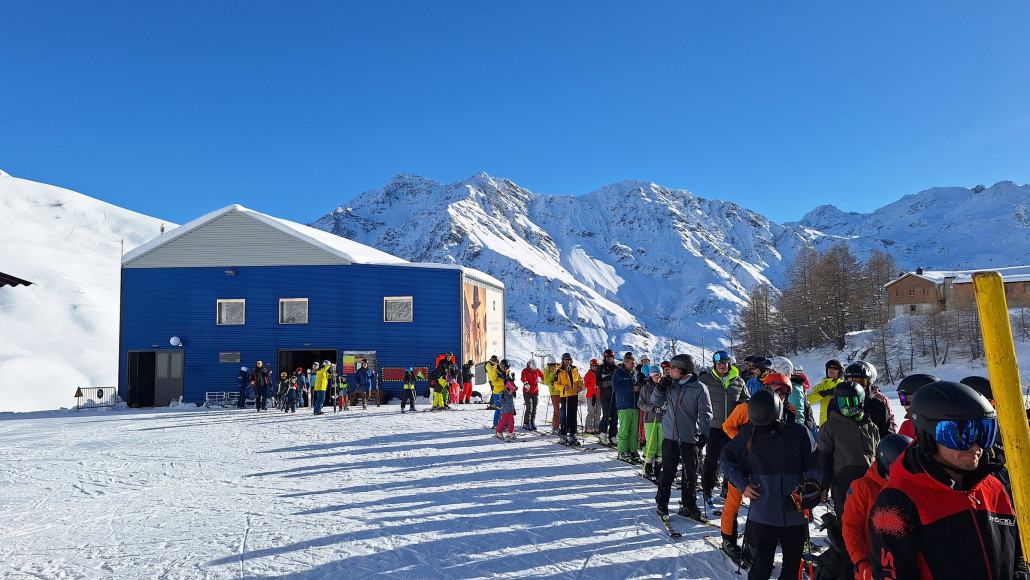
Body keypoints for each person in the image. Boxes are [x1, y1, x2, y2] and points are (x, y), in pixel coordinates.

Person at [868, 381, 1024, 580]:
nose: (976, 447)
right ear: (929, 436)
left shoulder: (992, 487)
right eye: (962, 436)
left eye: (984, 433)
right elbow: (891, 573)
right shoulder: (896, 502)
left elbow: (1017, 554)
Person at [720, 388, 821, 580]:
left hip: (795, 512)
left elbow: (815, 462)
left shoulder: (799, 432)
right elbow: (725, 460)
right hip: (763, 515)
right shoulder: (750, 431)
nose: (763, 429)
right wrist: (742, 484)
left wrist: (813, 483)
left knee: (791, 571)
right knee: (761, 569)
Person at [651, 354, 713, 522]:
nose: (670, 371)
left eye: (673, 368)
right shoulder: (669, 385)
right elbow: (655, 401)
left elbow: (705, 413)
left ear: (683, 370)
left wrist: (703, 433)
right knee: (668, 472)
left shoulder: (699, 388)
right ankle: (662, 503)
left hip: (689, 437)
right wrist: (660, 388)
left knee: (690, 474)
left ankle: (689, 505)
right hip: (670, 437)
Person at [841, 434, 912, 580]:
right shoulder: (863, 487)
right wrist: (861, 563)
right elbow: (851, 528)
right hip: (875, 569)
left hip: (906, 566)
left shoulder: (911, 486)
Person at [817, 380, 880, 519]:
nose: (847, 407)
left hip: (871, 482)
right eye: (842, 403)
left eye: (851, 402)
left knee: (873, 520)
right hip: (843, 483)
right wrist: (824, 485)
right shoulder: (830, 427)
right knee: (848, 520)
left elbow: (878, 456)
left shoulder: (870, 426)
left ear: (861, 401)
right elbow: (824, 458)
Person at [698, 350, 748, 504]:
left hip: (732, 427)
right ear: (714, 364)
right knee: (711, 459)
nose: (722, 365)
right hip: (714, 426)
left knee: (731, 460)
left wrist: (741, 406)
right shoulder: (706, 379)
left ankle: (728, 488)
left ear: (729, 364)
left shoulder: (738, 381)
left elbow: (746, 399)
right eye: (719, 363)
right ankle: (707, 489)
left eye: (725, 363)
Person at [842, 361, 894, 438]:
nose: (857, 386)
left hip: (872, 445)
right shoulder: (837, 403)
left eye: (861, 382)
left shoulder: (878, 405)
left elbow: (887, 433)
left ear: (868, 383)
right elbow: (829, 434)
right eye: (852, 382)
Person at [638, 362, 666, 481]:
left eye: (659, 374)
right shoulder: (645, 388)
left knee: (661, 444)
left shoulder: (665, 386)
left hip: (663, 419)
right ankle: (648, 467)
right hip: (650, 419)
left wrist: (665, 406)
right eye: (654, 374)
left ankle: (658, 468)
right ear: (650, 375)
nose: (657, 377)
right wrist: (652, 408)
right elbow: (640, 403)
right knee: (651, 444)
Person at [612, 352, 642, 460]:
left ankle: (633, 450)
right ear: (625, 363)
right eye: (631, 363)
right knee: (624, 431)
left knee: (634, 431)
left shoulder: (635, 374)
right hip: (624, 405)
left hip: (635, 405)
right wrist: (631, 388)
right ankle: (622, 451)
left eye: (634, 363)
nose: (633, 365)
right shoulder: (618, 373)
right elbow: (615, 388)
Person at [895, 373, 939, 438]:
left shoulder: (944, 428)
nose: (903, 405)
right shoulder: (907, 426)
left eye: (904, 399)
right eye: (901, 398)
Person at [554, 353, 584, 445]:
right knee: (565, 416)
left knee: (573, 416)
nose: (567, 361)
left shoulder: (575, 369)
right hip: (565, 395)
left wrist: (580, 386)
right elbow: (555, 384)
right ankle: (563, 436)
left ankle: (572, 435)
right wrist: (563, 387)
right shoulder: (559, 371)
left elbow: (580, 380)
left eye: (568, 359)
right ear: (562, 360)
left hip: (574, 394)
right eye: (565, 360)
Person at [807, 359, 844, 425]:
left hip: (841, 424)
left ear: (840, 371)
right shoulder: (820, 387)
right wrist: (822, 394)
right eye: (829, 368)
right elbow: (808, 401)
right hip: (825, 424)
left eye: (835, 368)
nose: (831, 370)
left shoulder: (844, 386)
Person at [597, 349, 619, 447]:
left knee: (615, 416)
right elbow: (598, 382)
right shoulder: (601, 368)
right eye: (607, 357)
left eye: (611, 357)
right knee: (606, 415)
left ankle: (612, 435)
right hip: (605, 395)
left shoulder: (616, 368)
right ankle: (602, 434)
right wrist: (606, 383)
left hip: (615, 395)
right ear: (605, 357)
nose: (609, 358)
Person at [521, 359, 543, 430]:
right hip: (527, 391)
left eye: (535, 369)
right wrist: (525, 383)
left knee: (534, 407)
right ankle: (526, 423)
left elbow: (542, 375)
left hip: (535, 391)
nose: (534, 370)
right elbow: (523, 378)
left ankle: (532, 422)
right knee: (529, 407)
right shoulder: (525, 371)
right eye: (533, 369)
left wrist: (545, 379)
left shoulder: (537, 370)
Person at [543, 361, 562, 434]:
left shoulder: (559, 368)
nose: (554, 366)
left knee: (564, 409)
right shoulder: (547, 371)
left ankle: (563, 424)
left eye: (555, 364)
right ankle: (555, 427)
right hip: (554, 393)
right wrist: (552, 373)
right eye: (552, 365)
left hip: (561, 391)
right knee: (556, 410)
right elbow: (547, 381)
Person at [583, 359, 600, 434]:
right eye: (593, 366)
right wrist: (593, 386)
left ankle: (596, 426)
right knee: (591, 412)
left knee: (598, 412)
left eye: (596, 365)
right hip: (591, 395)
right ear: (591, 366)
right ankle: (588, 427)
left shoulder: (600, 373)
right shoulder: (588, 374)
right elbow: (586, 384)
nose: (594, 367)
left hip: (599, 395)